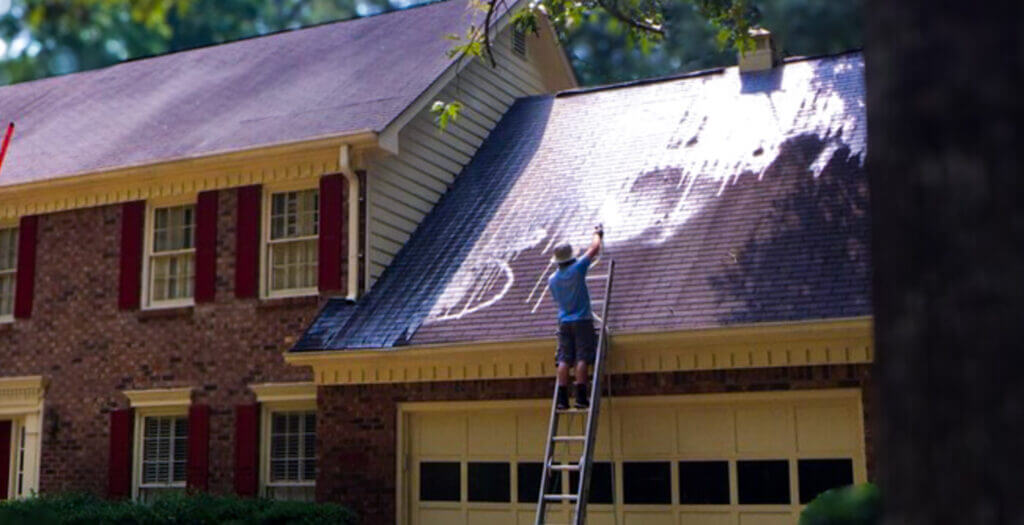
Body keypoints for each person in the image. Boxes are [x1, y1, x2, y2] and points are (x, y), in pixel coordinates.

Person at [548, 225, 603, 409]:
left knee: (564, 360)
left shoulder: (552, 280)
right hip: (582, 321)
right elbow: (594, 249)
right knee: (582, 358)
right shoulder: (577, 269)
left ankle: (562, 400)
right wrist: (597, 233)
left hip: (564, 322)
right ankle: (580, 398)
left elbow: (557, 300)